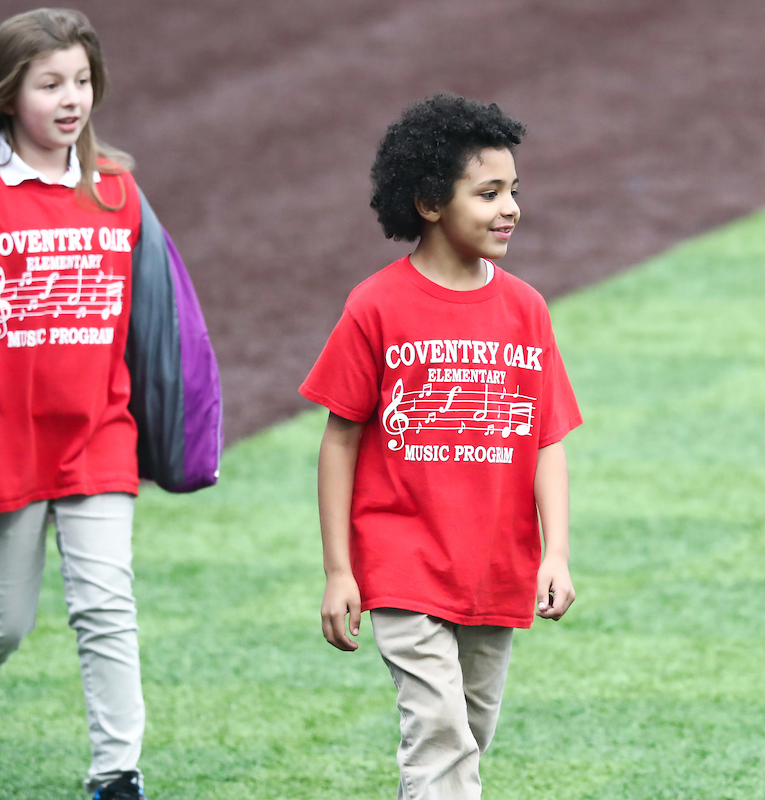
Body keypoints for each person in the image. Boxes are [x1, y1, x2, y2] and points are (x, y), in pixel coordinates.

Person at [0, 9, 222, 800]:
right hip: (0, 442)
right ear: (8, 95)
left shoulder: (117, 191)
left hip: (99, 437)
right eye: (50, 84)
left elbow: (163, 316)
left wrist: (179, 426)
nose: (71, 99)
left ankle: (117, 777)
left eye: (81, 81)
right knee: (2, 620)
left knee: (107, 605)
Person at [299, 93, 582, 799]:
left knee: (469, 739)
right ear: (429, 202)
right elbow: (340, 440)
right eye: (488, 193)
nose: (510, 207)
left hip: (497, 565)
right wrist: (341, 571)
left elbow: (546, 438)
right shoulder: (376, 305)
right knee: (438, 738)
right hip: (403, 564)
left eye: (514, 190)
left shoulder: (526, 309)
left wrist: (556, 552)